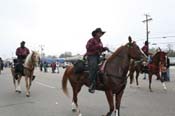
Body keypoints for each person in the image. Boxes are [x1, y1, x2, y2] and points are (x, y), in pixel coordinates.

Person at [85, 28, 109, 93]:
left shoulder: (100, 41)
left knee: (106, 63)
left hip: (98, 56)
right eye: (99, 33)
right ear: (95, 33)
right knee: (94, 67)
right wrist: (97, 46)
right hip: (91, 56)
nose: (100, 34)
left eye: (101, 33)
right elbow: (88, 47)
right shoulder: (91, 40)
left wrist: (104, 48)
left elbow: (100, 49)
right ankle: (91, 84)